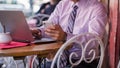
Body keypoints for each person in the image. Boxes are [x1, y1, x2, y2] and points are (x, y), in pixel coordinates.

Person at [32, 0, 107, 68]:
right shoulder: (63, 4)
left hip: (83, 61)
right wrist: (38, 32)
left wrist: (65, 36)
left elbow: (94, 40)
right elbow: (49, 27)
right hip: (58, 56)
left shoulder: (96, 7)